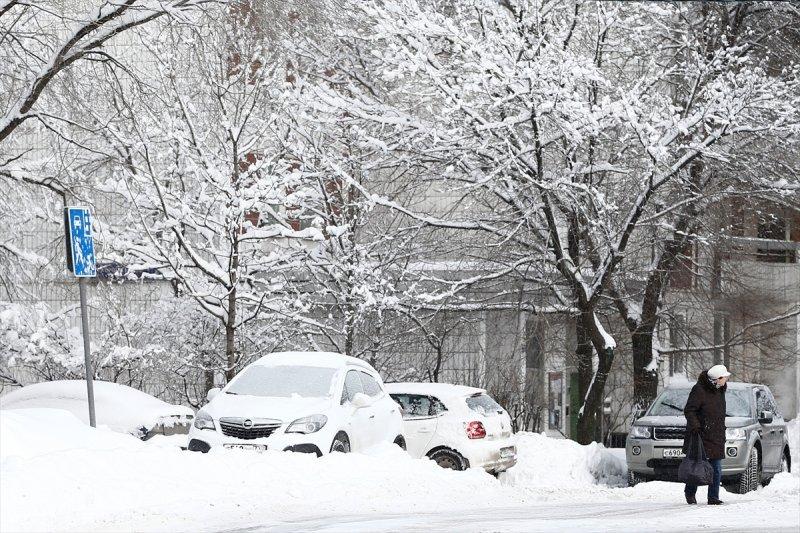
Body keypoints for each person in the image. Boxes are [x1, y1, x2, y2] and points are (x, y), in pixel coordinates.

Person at [683, 364, 730, 505]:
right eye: (725, 377)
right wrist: (696, 426)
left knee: (716, 467)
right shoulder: (699, 390)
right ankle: (690, 492)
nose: (726, 380)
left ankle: (713, 497)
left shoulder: (720, 390)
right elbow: (689, 410)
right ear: (717, 379)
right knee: (697, 466)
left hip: (716, 434)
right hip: (700, 434)